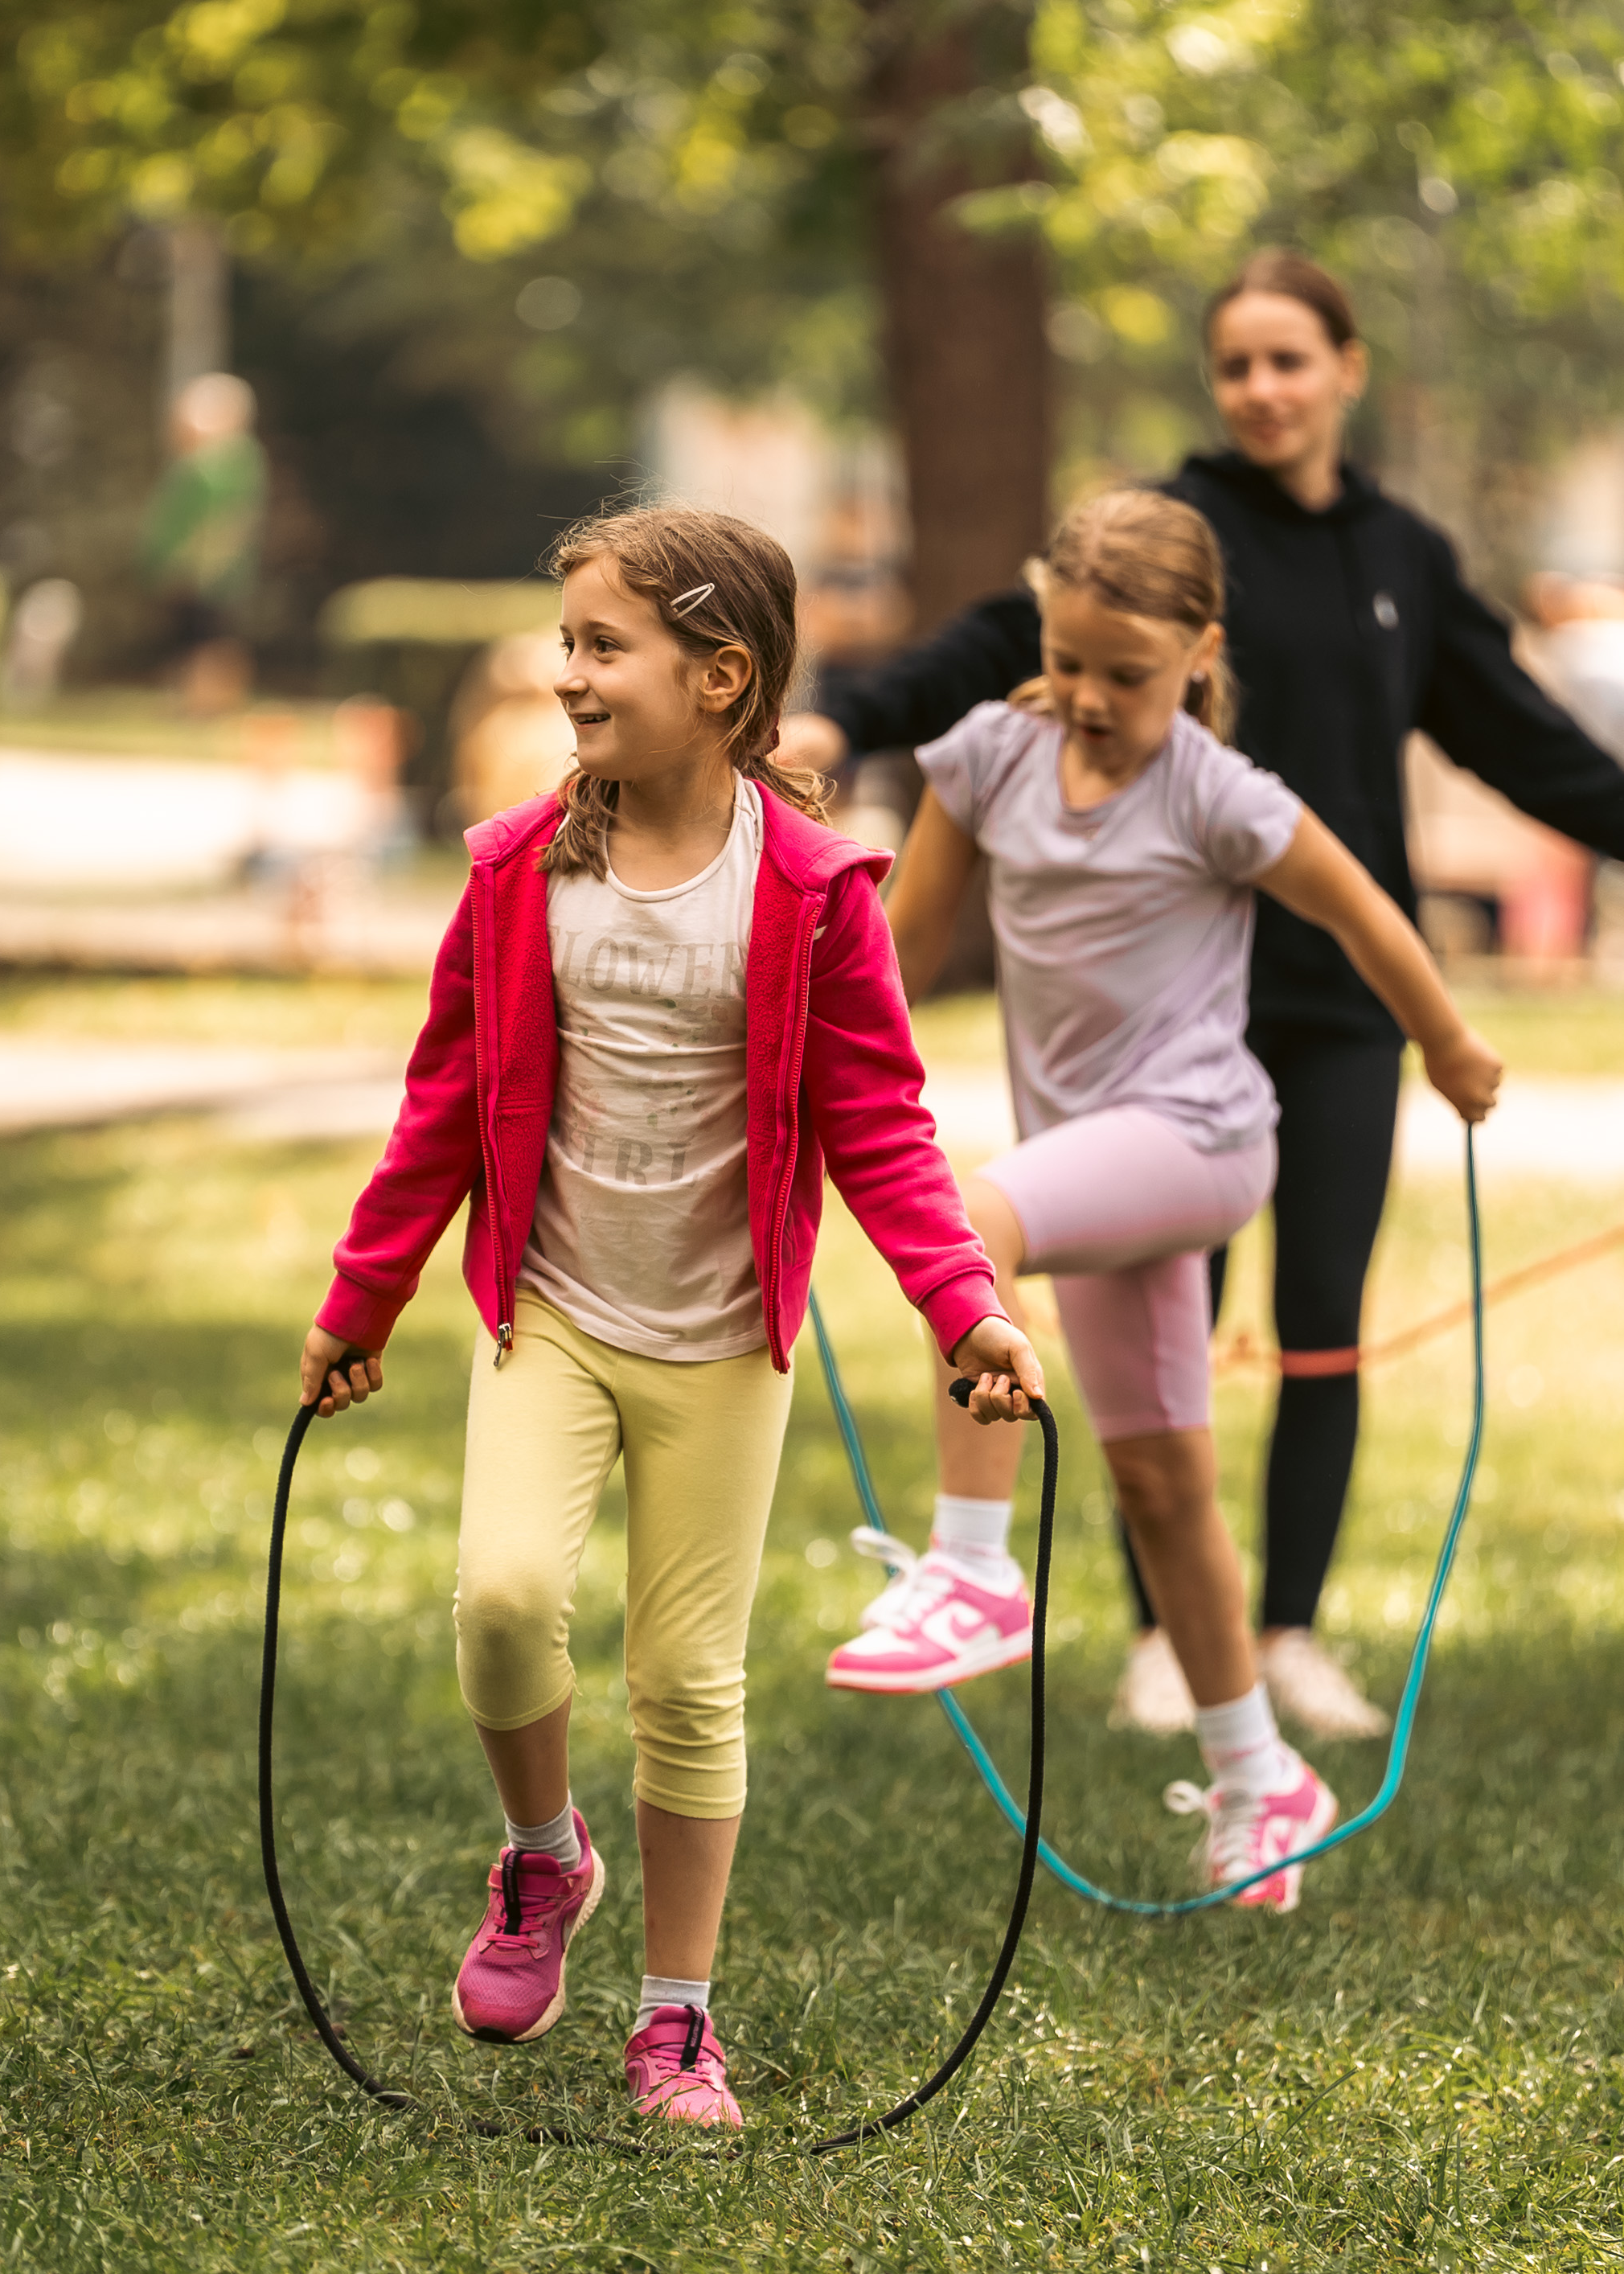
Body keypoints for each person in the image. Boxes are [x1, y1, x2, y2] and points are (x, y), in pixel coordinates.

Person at [785, 248, 1624, 1741]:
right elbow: (991, 657)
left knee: (1320, 1320)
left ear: (1346, 369)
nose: (1259, 388)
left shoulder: (1402, 559)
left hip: (1335, 1007)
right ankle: (1165, 1643)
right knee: (1157, 1343)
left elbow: (1521, 737)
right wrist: (843, 717)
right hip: (1168, 1017)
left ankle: (1284, 1631)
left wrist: (1444, 1030)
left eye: (1287, 360)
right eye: (1234, 363)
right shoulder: (1161, 540)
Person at [297, 506, 1041, 2131]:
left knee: (689, 1681)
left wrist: (963, 1306)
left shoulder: (814, 892)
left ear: (721, 677)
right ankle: (543, 1855)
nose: (569, 674)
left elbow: (883, 1127)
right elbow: (440, 1106)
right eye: (566, 642)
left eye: (604, 646)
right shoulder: (516, 872)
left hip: (718, 1341)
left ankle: (675, 2019)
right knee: (503, 1604)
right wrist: (366, 1298)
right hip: (551, 1313)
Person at [823, 488, 1502, 1911]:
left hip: (1197, 1142)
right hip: (1092, 1168)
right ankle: (1259, 1779)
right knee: (1161, 1482)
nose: (1088, 696)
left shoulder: (1214, 791)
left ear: (1198, 654)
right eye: (1067, 659)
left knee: (969, 1223)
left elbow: (1365, 912)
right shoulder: (989, 756)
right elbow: (908, 944)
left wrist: (1445, 1046)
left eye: (1125, 673)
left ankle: (970, 1569)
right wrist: (814, 1064)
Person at [139, 371, 268, 715]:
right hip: (191, 568)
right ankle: (193, 700)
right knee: (190, 636)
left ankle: (209, 703)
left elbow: (223, 520)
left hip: (209, 569)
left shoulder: (226, 462)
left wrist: (197, 563)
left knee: (210, 637)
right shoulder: (197, 464)